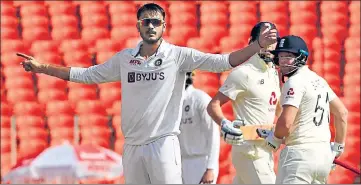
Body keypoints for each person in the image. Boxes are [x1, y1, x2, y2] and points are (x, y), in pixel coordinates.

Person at [16, 3, 278, 184]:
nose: (151, 26)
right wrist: (43, 68)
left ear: (164, 26)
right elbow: (87, 75)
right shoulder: (125, 58)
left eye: (156, 22)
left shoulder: (177, 55)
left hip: (163, 143)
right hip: (131, 146)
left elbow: (223, 61)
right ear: (138, 26)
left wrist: (256, 46)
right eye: (146, 22)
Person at [263, 35, 348, 184]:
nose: (282, 61)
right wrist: (338, 147)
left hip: (299, 158)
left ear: (301, 57)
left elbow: (286, 124)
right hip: (323, 158)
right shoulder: (319, 80)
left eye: (288, 56)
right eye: (280, 56)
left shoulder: (294, 82)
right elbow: (341, 113)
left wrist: (274, 139)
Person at [207, 22, 282, 184]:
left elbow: (279, 110)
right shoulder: (243, 73)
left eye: (273, 40)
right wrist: (224, 123)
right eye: (265, 38)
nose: (270, 45)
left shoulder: (273, 73)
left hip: (266, 149)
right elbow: (213, 105)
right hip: (249, 151)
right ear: (252, 42)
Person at [178, 72, 220, 184]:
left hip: (202, 163)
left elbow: (213, 135)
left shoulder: (200, 99)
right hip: (182, 163)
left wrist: (210, 168)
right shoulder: (174, 102)